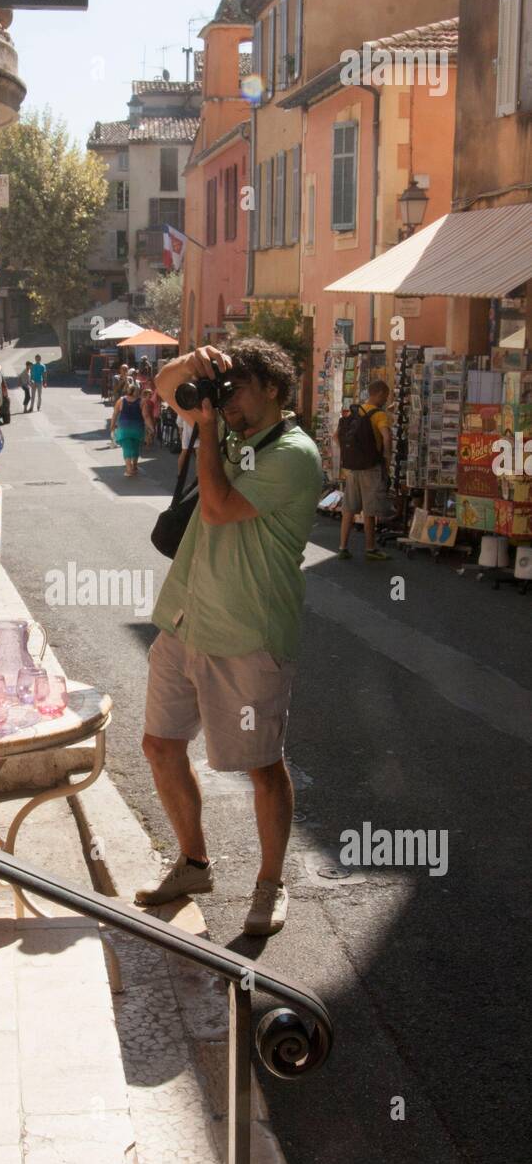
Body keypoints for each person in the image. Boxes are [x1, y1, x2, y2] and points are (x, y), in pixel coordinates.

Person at [135, 339, 323, 937]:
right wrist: (195, 364)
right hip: (186, 617)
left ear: (272, 388)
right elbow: (164, 388)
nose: (225, 400)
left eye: (236, 388)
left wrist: (212, 427)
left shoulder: (293, 453)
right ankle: (193, 864)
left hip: (248, 631)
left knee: (262, 766)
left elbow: (215, 508)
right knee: (160, 746)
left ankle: (270, 883)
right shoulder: (234, 426)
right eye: (224, 389)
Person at [335, 379, 392, 560]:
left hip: (352, 467)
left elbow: (336, 436)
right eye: (386, 396)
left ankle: (343, 547)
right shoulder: (379, 415)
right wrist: (386, 458)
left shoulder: (355, 411)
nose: (386, 399)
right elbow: (387, 438)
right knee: (369, 510)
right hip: (370, 467)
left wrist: (349, 453)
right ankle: (370, 549)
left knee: (349, 508)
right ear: (380, 394)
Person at [111, 380, 151, 478]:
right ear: (137, 392)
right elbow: (146, 416)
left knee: (127, 447)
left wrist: (112, 425)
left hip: (124, 428)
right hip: (137, 428)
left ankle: (129, 469)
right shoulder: (141, 402)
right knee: (135, 446)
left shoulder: (121, 400)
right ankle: (135, 466)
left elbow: (115, 414)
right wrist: (151, 428)